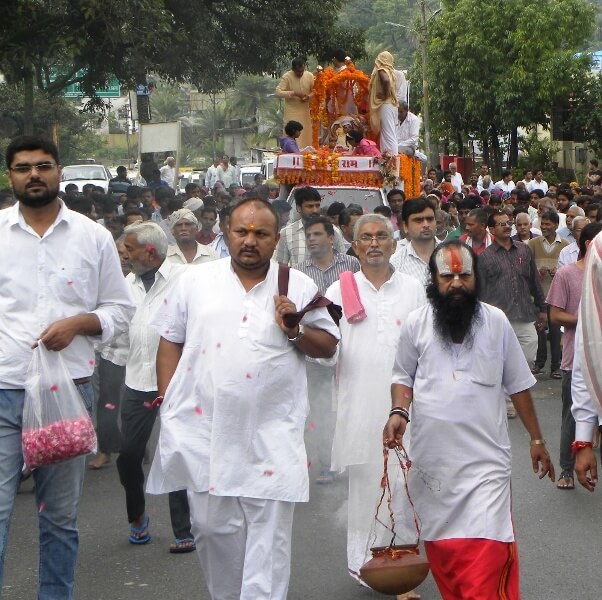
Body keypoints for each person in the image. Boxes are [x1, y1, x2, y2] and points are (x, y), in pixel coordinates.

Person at [147, 197, 339, 600]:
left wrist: (293, 329)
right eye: (241, 231)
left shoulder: (296, 284)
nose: (249, 241)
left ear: (276, 239)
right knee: (212, 529)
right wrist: (168, 401)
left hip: (272, 433)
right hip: (204, 433)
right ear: (225, 232)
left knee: (269, 542)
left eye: (260, 233)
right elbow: (170, 341)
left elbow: (327, 347)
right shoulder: (195, 281)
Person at [0, 135, 135, 597]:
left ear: (60, 172)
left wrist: (79, 322)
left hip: (69, 393)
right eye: (22, 167)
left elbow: (120, 311)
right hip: (4, 390)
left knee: (58, 518)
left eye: (43, 165)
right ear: (11, 176)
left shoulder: (92, 237)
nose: (33, 174)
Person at [384, 240, 554, 599]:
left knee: (486, 563)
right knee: (448, 562)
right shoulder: (416, 324)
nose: (457, 284)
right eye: (447, 276)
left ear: (477, 278)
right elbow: (402, 377)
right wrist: (399, 411)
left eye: (465, 275)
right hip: (433, 469)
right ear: (433, 279)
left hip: (486, 467)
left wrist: (536, 439)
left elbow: (519, 386)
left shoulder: (496, 322)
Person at [325, 214, 426, 588]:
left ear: (394, 244)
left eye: (381, 236)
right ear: (354, 246)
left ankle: (401, 570)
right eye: (365, 237)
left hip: (404, 406)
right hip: (358, 404)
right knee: (366, 485)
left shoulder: (413, 289)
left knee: (402, 483)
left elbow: (422, 348)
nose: (373, 243)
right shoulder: (339, 292)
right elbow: (326, 352)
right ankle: (364, 562)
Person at [117, 221, 196, 554]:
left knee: (175, 452)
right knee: (129, 457)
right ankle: (137, 517)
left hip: (177, 380)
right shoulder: (126, 284)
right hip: (136, 380)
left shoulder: (186, 280)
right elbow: (118, 332)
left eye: (130, 249)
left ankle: (183, 530)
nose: (124, 254)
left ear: (150, 252)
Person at [293, 216, 359, 484]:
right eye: (308, 235)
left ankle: (352, 457)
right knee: (319, 407)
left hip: (350, 344)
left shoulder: (351, 265)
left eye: (317, 234)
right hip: (316, 349)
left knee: (349, 403)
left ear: (332, 238)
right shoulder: (298, 271)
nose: (311, 239)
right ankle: (325, 462)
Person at [547, 222, 602, 490]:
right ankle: (565, 468)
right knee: (571, 413)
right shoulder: (598, 253)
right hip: (574, 358)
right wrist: (583, 442)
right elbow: (589, 342)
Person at [479, 212, 547, 418]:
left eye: (508, 223)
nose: (507, 227)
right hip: (498, 318)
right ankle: (508, 402)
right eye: (501, 224)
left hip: (525, 314)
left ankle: (513, 392)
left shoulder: (525, 251)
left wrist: (543, 309)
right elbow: (480, 290)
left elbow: (534, 281)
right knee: (499, 358)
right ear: (491, 230)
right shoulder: (484, 257)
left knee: (528, 354)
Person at [527, 211, 568, 379]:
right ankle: (539, 363)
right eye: (542, 224)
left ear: (556, 225)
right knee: (539, 330)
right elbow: (528, 270)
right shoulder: (532, 244)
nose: (544, 227)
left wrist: (558, 273)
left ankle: (556, 366)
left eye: (548, 224)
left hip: (557, 296)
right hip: (538, 295)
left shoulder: (564, 245)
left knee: (555, 330)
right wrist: (537, 273)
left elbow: (566, 269)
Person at [276, 186, 345, 265]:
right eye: (310, 206)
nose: (315, 210)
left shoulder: (333, 231)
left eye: (317, 205)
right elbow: (282, 267)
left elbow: (343, 262)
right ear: (299, 208)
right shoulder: (286, 233)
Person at [390, 198, 437, 286]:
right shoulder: (395, 263)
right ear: (405, 226)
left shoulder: (452, 252)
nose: (426, 225)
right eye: (418, 220)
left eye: (430, 219)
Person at [368, 51, 408, 155]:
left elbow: (386, 81)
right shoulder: (390, 72)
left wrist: (385, 95)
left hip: (385, 105)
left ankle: (391, 160)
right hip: (391, 105)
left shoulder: (382, 70)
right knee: (389, 134)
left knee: (387, 134)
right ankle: (388, 159)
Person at [276, 57, 315, 150]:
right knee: (292, 132)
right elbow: (277, 92)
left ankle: (306, 156)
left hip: (305, 111)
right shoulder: (287, 77)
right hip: (291, 111)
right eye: (298, 72)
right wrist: (294, 93)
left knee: (306, 134)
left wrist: (309, 96)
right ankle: (292, 153)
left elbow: (316, 91)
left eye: (302, 71)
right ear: (293, 69)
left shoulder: (309, 76)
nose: (300, 74)